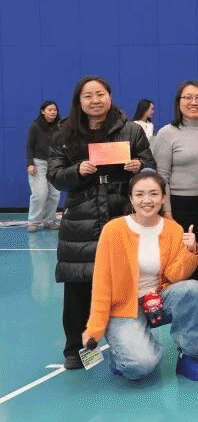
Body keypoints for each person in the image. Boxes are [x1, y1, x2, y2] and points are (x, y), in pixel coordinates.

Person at [48, 76, 154, 369]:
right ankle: (76, 350)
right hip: (80, 216)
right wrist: (77, 171)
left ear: (110, 95)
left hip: (121, 211)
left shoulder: (131, 130)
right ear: (79, 100)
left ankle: (126, 342)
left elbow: (150, 166)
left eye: (100, 94)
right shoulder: (64, 133)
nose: (95, 100)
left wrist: (140, 166)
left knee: (123, 283)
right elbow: (54, 175)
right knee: (78, 285)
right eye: (88, 96)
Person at [81, 170, 198, 381]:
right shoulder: (113, 230)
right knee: (140, 366)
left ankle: (190, 357)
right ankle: (126, 351)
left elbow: (174, 276)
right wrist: (95, 328)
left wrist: (190, 251)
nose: (147, 200)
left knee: (193, 289)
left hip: (157, 302)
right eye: (139, 194)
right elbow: (102, 283)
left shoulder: (173, 230)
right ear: (131, 198)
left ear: (164, 198)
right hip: (124, 309)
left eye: (153, 194)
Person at [153, 80, 198, 341]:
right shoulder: (167, 134)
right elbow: (161, 176)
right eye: (187, 98)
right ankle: (190, 325)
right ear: (178, 103)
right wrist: (167, 212)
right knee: (187, 267)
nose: (194, 102)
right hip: (181, 207)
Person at [26, 100, 62, 232]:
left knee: (55, 194)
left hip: (55, 164)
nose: (53, 112)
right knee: (39, 194)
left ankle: (50, 221)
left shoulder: (60, 126)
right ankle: (33, 221)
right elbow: (30, 146)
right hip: (38, 164)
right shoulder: (35, 126)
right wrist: (30, 163)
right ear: (43, 111)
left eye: (55, 110)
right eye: (50, 110)